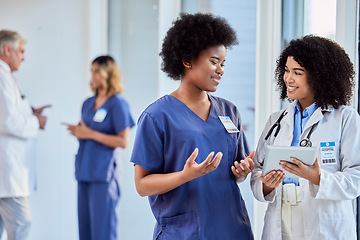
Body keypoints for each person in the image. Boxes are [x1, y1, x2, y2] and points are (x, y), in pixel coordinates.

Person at [130, 13, 254, 240]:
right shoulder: (157, 116)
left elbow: (234, 174)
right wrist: (184, 175)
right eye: (214, 62)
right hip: (184, 232)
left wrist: (242, 172)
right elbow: (142, 185)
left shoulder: (229, 112)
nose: (221, 70)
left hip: (231, 228)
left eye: (223, 64)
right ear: (187, 60)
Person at [251, 35, 360, 239]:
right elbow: (258, 169)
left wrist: (317, 178)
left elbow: (357, 177)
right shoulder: (276, 120)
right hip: (281, 215)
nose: (288, 79)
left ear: (319, 76)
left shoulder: (346, 118)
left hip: (322, 221)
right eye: (286, 70)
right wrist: (267, 185)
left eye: (297, 72)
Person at [66, 55, 134, 240]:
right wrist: (80, 133)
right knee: (85, 232)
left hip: (104, 176)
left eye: (97, 71)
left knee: (103, 232)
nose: (93, 75)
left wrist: (89, 134)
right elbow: (86, 134)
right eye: (92, 71)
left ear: (108, 74)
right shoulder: (88, 104)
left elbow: (123, 142)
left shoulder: (118, 104)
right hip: (84, 171)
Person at [0, 30, 50, 240]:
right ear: (6, 49)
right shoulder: (1, 77)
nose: (23, 57)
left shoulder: (7, 77)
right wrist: (35, 122)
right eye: (20, 51)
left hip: (10, 171)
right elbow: (8, 122)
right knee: (22, 224)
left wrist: (29, 112)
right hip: (8, 172)